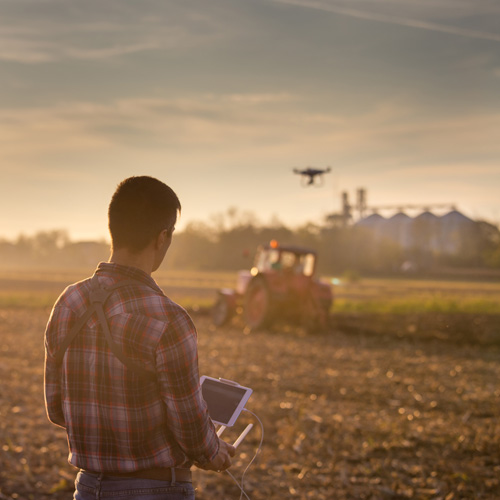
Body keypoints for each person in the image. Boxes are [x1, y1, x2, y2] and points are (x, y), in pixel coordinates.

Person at [44, 176, 235, 500]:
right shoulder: (168, 318)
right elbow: (190, 427)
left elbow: (56, 409)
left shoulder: (68, 303)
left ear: (113, 228)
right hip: (158, 490)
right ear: (162, 237)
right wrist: (214, 452)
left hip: (87, 488)